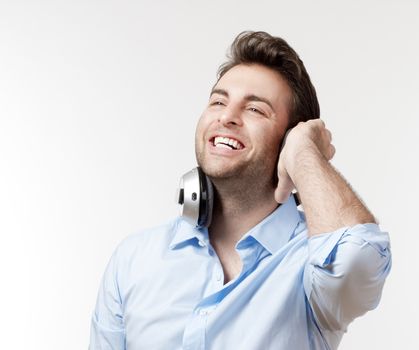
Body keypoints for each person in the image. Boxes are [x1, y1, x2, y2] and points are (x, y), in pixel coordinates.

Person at [89, 31, 391, 350]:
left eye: (255, 109)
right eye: (218, 101)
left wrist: (304, 153)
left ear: (287, 139)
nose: (227, 117)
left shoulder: (311, 264)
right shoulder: (134, 259)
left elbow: (359, 259)